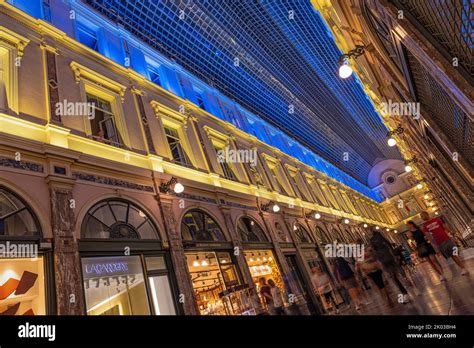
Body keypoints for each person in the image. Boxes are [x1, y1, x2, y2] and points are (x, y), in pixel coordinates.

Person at [420, 211, 468, 276]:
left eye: (423, 215)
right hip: (439, 243)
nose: (423, 217)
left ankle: (463, 267)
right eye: (422, 216)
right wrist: (434, 246)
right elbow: (429, 236)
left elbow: (444, 227)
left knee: (454, 254)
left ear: (427, 214)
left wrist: (451, 233)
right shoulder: (424, 226)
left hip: (446, 239)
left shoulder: (436, 220)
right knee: (452, 255)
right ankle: (462, 267)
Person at [370, 230, 409, 303]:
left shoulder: (371, 240)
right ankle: (406, 281)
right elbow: (390, 246)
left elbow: (374, 252)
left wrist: (379, 262)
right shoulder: (382, 238)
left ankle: (403, 295)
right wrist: (395, 256)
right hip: (390, 258)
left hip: (383, 261)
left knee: (393, 278)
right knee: (398, 272)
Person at [355, 239, 393, 307]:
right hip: (373, 269)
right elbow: (374, 257)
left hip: (370, 270)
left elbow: (359, 263)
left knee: (378, 285)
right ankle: (387, 299)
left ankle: (386, 299)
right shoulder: (367, 249)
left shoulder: (361, 252)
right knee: (380, 284)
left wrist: (360, 271)